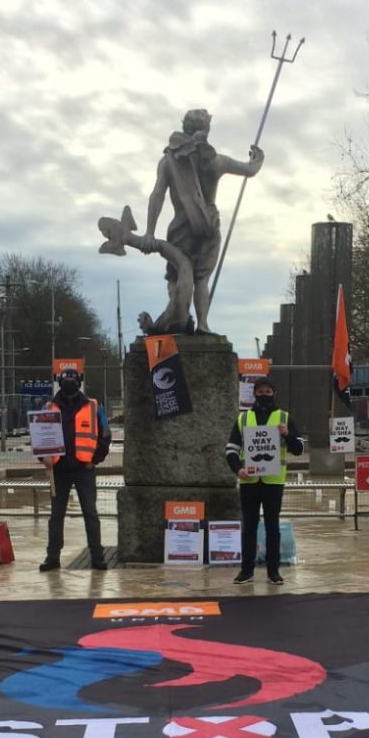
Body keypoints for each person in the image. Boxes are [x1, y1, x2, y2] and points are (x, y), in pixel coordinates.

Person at [143, 108, 263, 334]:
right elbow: (250, 169)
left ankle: (178, 316)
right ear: (206, 130)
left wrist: (149, 232)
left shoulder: (169, 162)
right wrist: (258, 158)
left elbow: (157, 196)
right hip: (208, 225)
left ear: (184, 128)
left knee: (176, 275)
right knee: (202, 279)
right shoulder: (216, 161)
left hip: (181, 227)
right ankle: (203, 324)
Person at [224, 375, 305, 584]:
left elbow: (299, 449)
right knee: (249, 528)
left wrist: (287, 435)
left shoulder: (284, 418)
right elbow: (231, 450)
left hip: (273, 483)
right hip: (249, 482)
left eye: (268, 392)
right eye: (260, 392)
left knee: (272, 528)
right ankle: (246, 571)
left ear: (274, 393)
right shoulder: (243, 419)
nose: (264, 395)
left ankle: (273, 572)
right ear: (254, 394)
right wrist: (238, 469)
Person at [38, 367, 112, 571]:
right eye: (66, 379)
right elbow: (39, 436)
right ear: (59, 383)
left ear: (79, 382)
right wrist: (43, 458)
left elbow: (105, 435)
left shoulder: (94, 406)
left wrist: (94, 460)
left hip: (84, 470)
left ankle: (97, 557)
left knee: (90, 513)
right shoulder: (48, 407)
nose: (69, 382)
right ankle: (52, 557)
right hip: (58, 470)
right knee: (56, 516)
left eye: (72, 379)